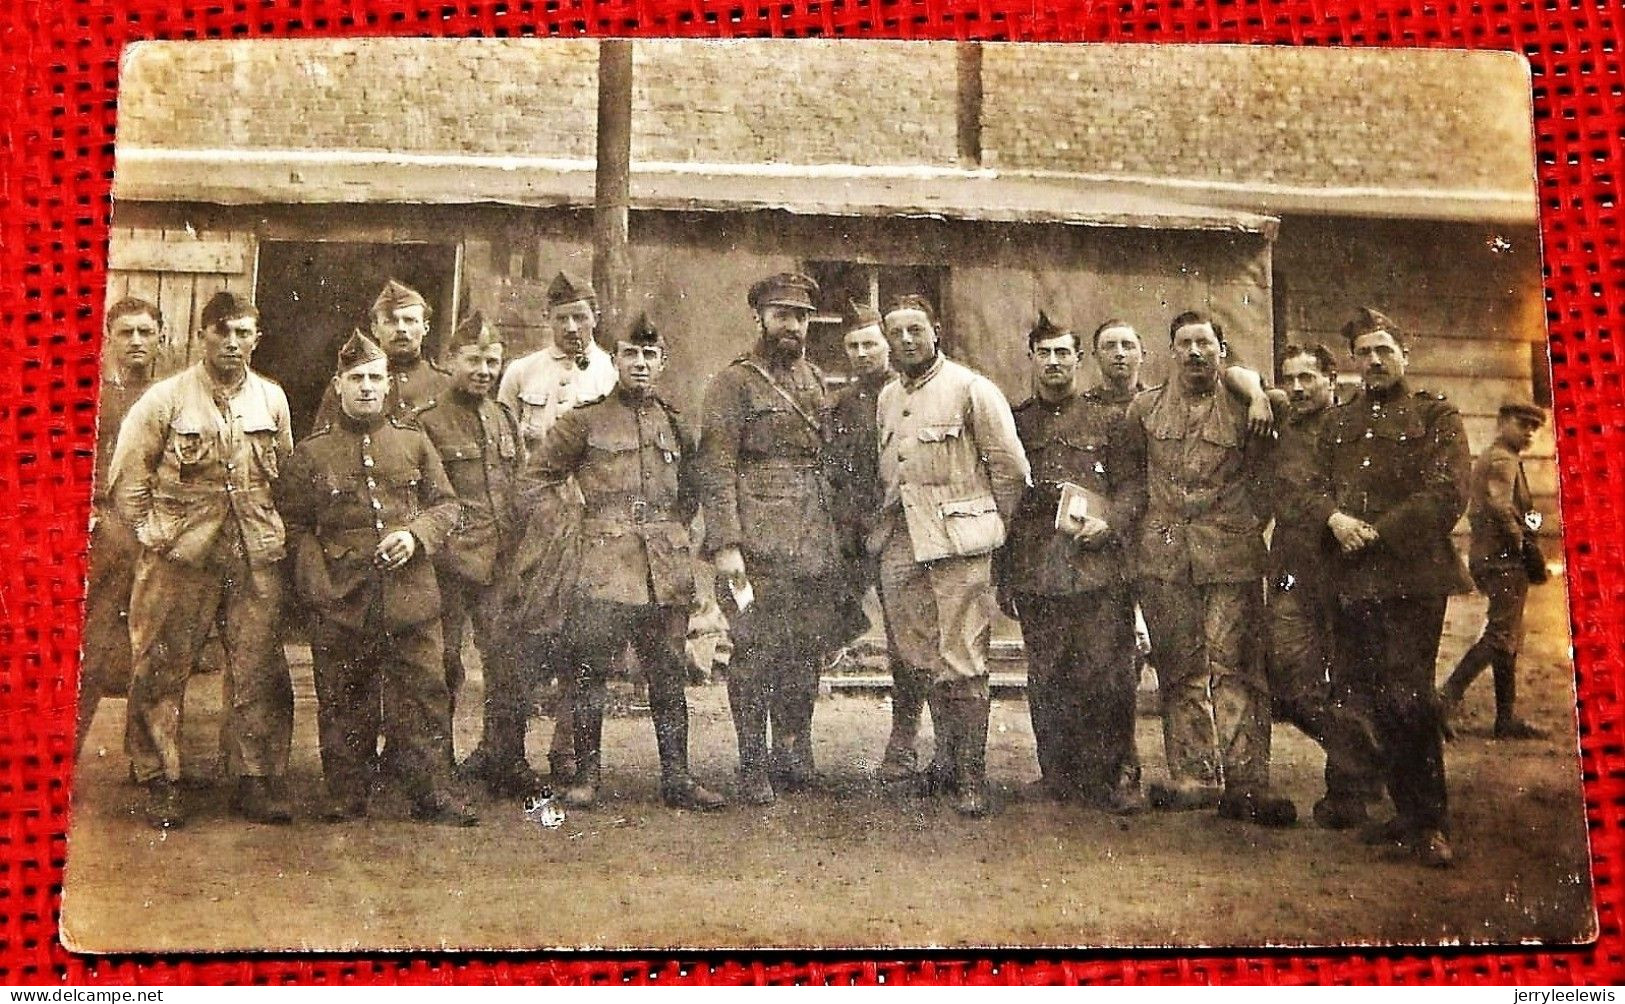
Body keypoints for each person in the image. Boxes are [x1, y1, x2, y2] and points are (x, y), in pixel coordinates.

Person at [109, 291, 295, 828]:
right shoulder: (165, 400)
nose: (232, 342)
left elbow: (280, 469)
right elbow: (128, 477)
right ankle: (159, 778)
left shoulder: (271, 399)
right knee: (163, 664)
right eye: (222, 332)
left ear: (256, 338)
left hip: (253, 549)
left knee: (257, 662)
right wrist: (154, 533)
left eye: (243, 332)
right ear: (202, 336)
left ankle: (252, 777)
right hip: (181, 555)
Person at [529, 313, 727, 811]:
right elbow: (534, 480)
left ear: (663, 362)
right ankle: (587, 777)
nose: (640, 363)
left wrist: (671, 531)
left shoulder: (676, 422)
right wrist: (571, 525)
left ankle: (677, 779)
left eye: (649, 355)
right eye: (630, 355)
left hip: (664, 568)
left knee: (667, 674)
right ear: (614, 360)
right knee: (589, 673)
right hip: (603, 566)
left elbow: (693, 491)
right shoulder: (584, 420)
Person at [277, 331, 475, 826]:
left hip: (412, 597)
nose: (367, 387)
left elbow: (447, 505)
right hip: (344, 597)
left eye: (375, 378)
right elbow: (296, 529)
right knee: (344, 697)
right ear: (338, 385)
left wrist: (415, 536)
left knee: (426, 695)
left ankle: (433, 793)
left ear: (389, 385)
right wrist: (319, 589)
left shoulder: (413, 441)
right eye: (357, 378)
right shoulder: (312, 454)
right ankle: (347, 792)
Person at [1302, 306, 1472, 868]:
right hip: (1351, 581)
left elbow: (1446, 494)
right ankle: (1403, 812)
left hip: (1410, 578)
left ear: (1406, 357)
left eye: (1384, 352)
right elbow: (1312, 488)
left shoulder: (1437, 417)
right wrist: (1334, 518)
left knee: (1409, 698)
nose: (1374, 362)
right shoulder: (1337, 422)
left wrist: (1374, 532)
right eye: (1365, 353)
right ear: (1352, 362)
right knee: (1368, 699)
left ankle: (1431, 822)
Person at [1117, 310, 1296, 827]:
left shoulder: (1250, 408)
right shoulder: (1144, 410)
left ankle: (1246, 780)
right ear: (1170, 352)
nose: (1195, 352)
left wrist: (1256, 389)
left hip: (1230, 558)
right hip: (1165, 558)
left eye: (1205, 343)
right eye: (1184, 343)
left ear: (1222, 351)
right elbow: (1133, 480)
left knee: (1235, 668)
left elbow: (1265, 481)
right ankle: (1194, 776)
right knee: (1179, 670)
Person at [696, 272, 853, 805]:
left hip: (812, 541)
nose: (792, 325)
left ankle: (793, 753)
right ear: (758, 318)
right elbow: (715, 467)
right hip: (757, 546)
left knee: (805, 654)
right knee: (755, 653)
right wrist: (725, 545)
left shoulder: (813, 379)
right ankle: (751, 765)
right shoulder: (733, 383)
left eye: (802, 316)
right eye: (782, 314)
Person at [873, 294, 1030, 817]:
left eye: (916, 329)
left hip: (960, 548)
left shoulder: (971, 388)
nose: (908, 340)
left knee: (963, 659)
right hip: (904, 543)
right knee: (921, 659)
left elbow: (1011, 470)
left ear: (935, 330)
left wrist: (989, 529)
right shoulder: (889, 397)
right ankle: (943, 763)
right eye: (897, 332)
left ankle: (970, 777)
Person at [998, 312, 1145, 812]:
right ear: (1032, 359)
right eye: (1046, 353)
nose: (1055, 362)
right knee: (1048, 675)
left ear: (1079, 360)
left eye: (1064, 353)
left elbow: (1131, 489)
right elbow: (1008, 501)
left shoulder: (1111, 420)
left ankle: (1117, 777)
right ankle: (1057, 775)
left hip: (1099, 568)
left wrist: (1114, 524)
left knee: (1108, 675)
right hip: (1040, 571)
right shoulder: (1016, 422)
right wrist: (1005, 577)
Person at [495, 270, 617, 782]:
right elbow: (501, 444)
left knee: (582, 639)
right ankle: (507, 752)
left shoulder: (612, 371)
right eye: (562, 318)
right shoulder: (521, 373)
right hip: (531, 523)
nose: (572, 327)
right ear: (547, 320)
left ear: (596, 318)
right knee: (522, 637)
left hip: (587, 523)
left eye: (581, 317)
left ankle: (567, 749)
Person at [415, 312, 540, 796]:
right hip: (448, 563)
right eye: (473, 360)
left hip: (500, 561)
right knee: (442, 665)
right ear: (450, 362)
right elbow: (424, 496)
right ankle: (436, 765)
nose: (484, 370)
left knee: (509, 662)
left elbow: (519, 486)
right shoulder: (427, 422)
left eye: (492, 361)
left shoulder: (503, 416)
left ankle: (504, 759)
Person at [1268, 343, 1383, 829]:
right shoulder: (1280, 427)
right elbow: (1292, 492)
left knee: (1349, 684)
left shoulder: (1354, 428)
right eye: (1289, 379)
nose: (1297, 388)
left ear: (1331, 380)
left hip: (1347, 571)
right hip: (1293, 571)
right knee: (1288, 681)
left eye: (1307, 378)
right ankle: (1371, 757)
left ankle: (1347, 794)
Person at [826, 301, 926, 783]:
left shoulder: (908, 391)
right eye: (853, 346)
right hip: (858, 535)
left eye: (870, 344)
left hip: (906, 531)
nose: (862, 353)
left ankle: (905, 736)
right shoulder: (842, 406)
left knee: (910, 639)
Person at [1438, 398, 1551, 740]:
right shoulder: (1501, 458)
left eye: (1534, 427)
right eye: (1522, 423)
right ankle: (1445, 699)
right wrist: (1523, 545)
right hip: (1502, 559)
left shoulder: (1504, 457)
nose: (1529, 432)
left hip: (1497, 556)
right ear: (1502, 421)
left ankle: (1505, 719)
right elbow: (1500, 508)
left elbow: (1521, 510)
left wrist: (1533, 524)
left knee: (1507, 635)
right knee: (1501, 634)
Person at [78, 297, 161, 752]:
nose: (135, 342)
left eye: (145, 333)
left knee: (154, 654)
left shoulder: (171, 397)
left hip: (157, 534)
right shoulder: (91, 396)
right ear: (108, 339)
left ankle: (149, 765)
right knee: (87, 649)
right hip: (103, 534)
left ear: (160, 340)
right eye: (126, 332)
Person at [311, 279, 450, 433]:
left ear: (425, 327)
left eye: (410, 320)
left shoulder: (445, 384)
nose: (401, 329)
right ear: (375, 329)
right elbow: (324, 445)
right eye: (390, 321)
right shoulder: (349, 383)